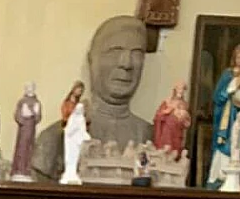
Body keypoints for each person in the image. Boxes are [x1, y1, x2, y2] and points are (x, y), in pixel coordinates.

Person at [34, 17, 152, 180]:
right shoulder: (55, 138)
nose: (126, 64)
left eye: (137, 54)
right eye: (115, 51)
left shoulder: (151, 136)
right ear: (92, 59)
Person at [207, 43, 240, 187]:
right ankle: (219, 178)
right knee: (226, 144)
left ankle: (233, 177)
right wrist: (231, 89)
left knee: (237, 144)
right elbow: (218, 96)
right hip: (227, 115)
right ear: (234, 58)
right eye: (238, 57)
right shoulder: (227, 74)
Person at [10, 82, 42, 180]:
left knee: (29, 148)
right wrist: (24, 116)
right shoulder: (22, 102)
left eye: (31, 87)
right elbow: (17, 115)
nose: (29, 89)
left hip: (31, 128)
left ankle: (26, 170)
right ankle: (19, 169)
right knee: (21, 147)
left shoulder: (37, 102)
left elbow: (38, 117)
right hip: (23, 128)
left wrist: (34, 113)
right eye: (28, 87)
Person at [153, 81, 191, 160]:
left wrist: (182, 116)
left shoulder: (184, 104)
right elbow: (159, 115)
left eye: (183, 89)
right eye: (179, 88)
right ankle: (166, 146)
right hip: (166, 130)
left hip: (176, 132)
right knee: (170, 120)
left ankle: (171, 150)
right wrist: (168, 111)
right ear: (175, 90)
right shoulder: (167, 101)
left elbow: (186, 122)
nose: (181, 91)